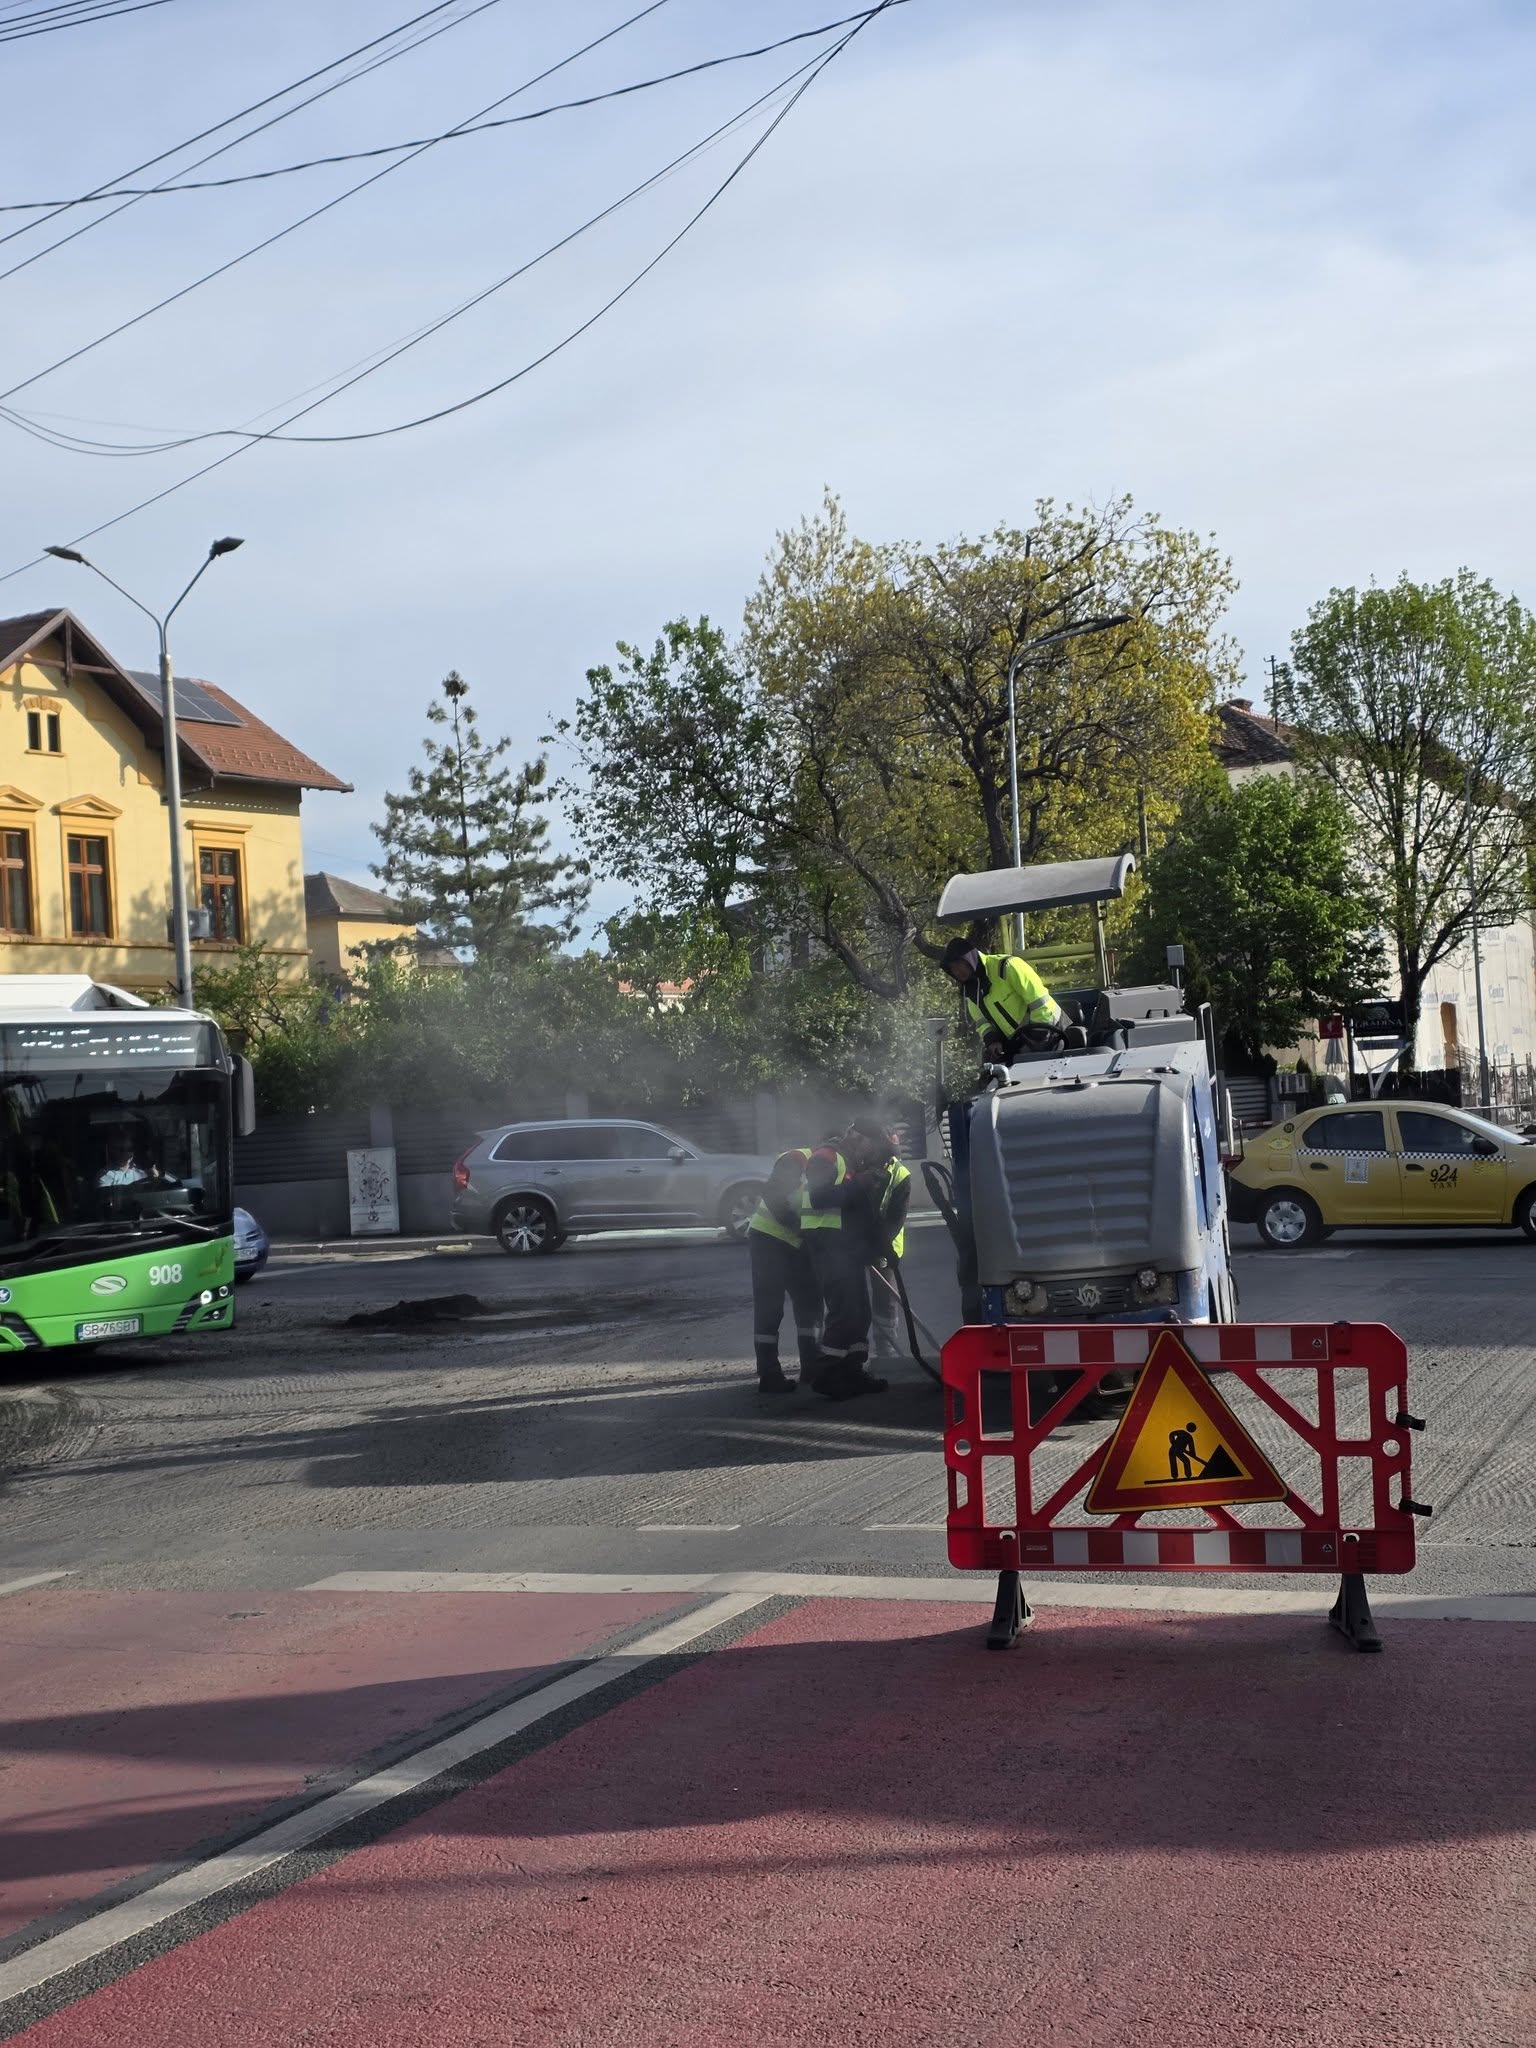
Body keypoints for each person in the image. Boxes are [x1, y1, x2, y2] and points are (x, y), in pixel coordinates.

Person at [800, 1123, 890, 1401]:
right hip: (828, 1247)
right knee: (844, 1311)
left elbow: (858, 1212)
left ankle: (852, 1371)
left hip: (847, 1249)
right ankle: (827, 1373)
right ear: (858, 1137)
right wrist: (858, 1185)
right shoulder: (826, 1157)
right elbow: (818, 1198)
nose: (872, 1154)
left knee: (860, 1312)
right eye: (871, 1147)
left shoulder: (851, 1163)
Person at [746, 1146, 822, 1394]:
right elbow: (773, 1195)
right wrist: (800, 1228)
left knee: (810, 1304)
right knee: (770, 1308)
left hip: (799, 1245)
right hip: (769, 1239)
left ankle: (812, 1368)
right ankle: (769, 1374)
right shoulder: (797, 1159)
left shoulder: (838, 1167)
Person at [940, 935, 1064, 1062]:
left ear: (969, 959)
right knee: (989, 1069)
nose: (957, 971)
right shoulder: (971, 992)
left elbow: (1041, 1004)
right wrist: (993, 1040)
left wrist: (1036, 1038)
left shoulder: (1007, 966)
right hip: (1020, 1044)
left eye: (959, 964)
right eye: (952, 968)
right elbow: (982, 1022)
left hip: (1052, 1033)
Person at [863, 1134, 913, 1362]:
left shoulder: (901, 1175)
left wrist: (881, 1248)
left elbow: (895, 1219)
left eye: (889, 1157)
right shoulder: (860, 1167)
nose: (885, 1161)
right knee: (853, 1296)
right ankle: (855, 1347)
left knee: (885, 1299)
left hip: (886, 1246)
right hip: (858, 1243)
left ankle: (886, 1349)